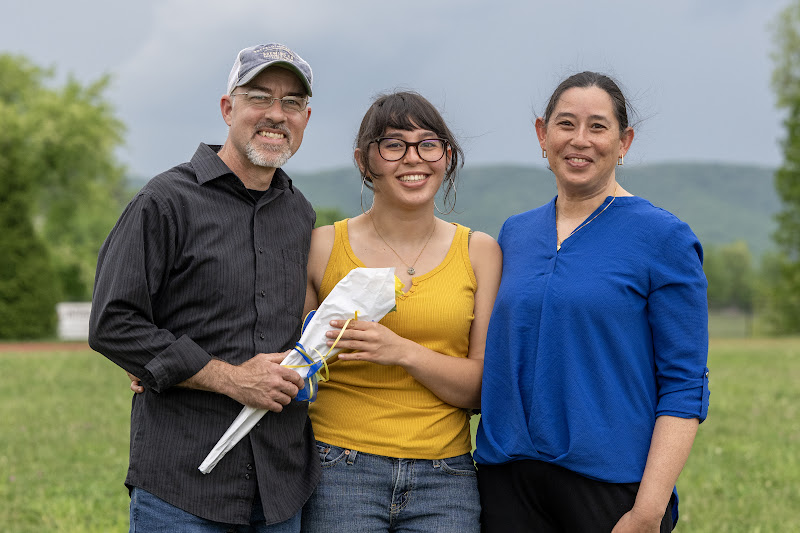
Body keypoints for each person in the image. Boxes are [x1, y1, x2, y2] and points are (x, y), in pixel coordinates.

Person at [89, 43, 320, 532]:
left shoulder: (300, 214)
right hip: (182, 485)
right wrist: (228, 377)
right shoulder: (165, 200)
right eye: (260, 97)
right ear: (227, 108)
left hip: (279, 489)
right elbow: (113, 322)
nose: (276, 115)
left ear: (305, 117)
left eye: (293, 103)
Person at [474, 72, 710, 532]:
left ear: (624, 142)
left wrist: (647, 513)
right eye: (566, 124)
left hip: (610, 490)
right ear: (543, 134)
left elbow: (684, 385)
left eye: (598, 127)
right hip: (506, 484)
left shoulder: (664, 238)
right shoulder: (515, 234)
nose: (580, 140)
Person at [299, 91, 502, 532]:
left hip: (446, 477)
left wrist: (400, 351)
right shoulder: (322, 247)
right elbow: (289, 360)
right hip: (337, 466)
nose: (414, 159)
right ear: (363, 160)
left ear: (446, 157)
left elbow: (482, 389)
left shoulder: (480, 252)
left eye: (429, 144)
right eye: (393, 145)